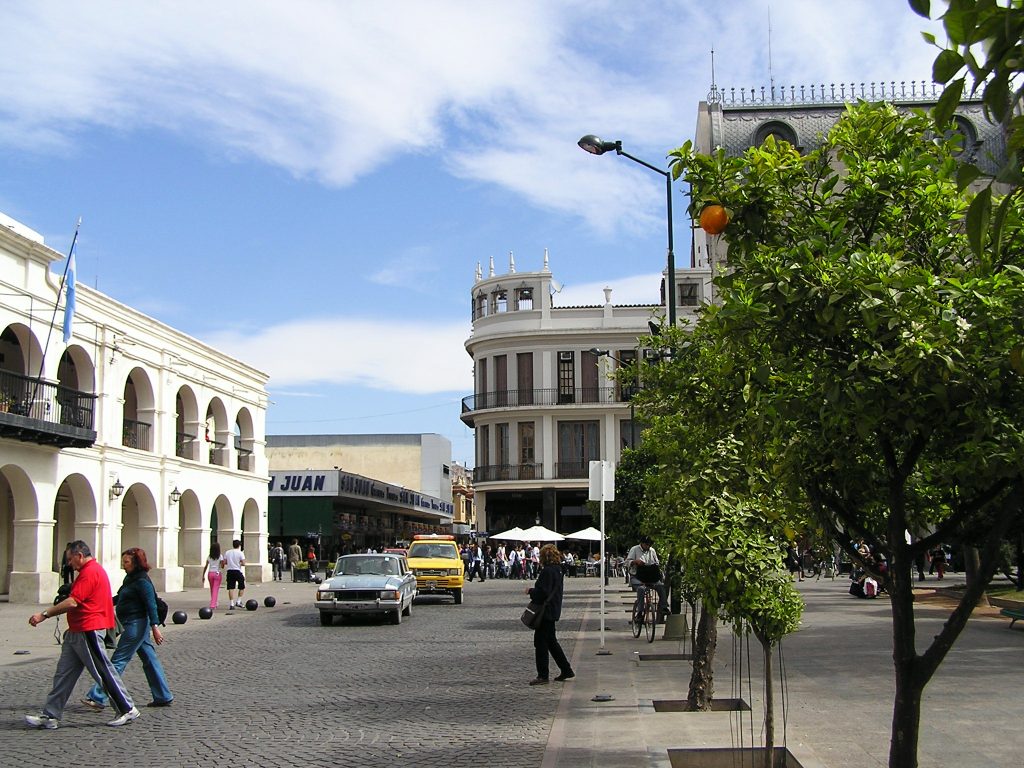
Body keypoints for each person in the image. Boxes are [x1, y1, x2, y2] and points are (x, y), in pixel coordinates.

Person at [25, 540, 139, 728]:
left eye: (70, 559)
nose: (69, 563)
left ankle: (127, 708)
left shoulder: (90, 572)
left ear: (79, 555)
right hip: (77, 630)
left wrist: (44, 614)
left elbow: (73, 602)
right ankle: (50, 715)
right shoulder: (88, 571)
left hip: (89, 629)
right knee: (63, 675)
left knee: (102, 671)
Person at [84, 547, 173, 709]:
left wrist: (155, 627)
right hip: (132, 624)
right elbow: (119, 597)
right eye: (123, 562)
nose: (123, 565)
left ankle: (98, 696)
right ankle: (163, 695)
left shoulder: (142, 581)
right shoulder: (130, 579)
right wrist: (99, 604)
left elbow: (151, 605)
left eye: (126, 562)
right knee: (149, 659)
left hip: (136, 625)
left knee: (118, 660)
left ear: (136, 563)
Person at [527, 544, 574, 685]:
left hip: (545, 611)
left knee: (541, 642)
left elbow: (543, 592)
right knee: (551, 642)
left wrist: (531, 591)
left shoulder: (547, 571)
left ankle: (543, 675)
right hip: (553, 608)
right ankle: (566, 669)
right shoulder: (559, 570)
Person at [627, 536, 668, 623]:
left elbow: (657, 562)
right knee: (641, 589)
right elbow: (627, 562)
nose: (648, 546)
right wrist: (635, 562)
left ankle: (664, 607)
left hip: (650, 576)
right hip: (637, 576)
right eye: (646, 544)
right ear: (642, 543)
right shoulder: (634, 549)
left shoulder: (652, 550)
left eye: (649, 545)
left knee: (661, 586)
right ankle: (640, 613)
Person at [224, 539, 247, 609]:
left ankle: (231, 604)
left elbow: (225, 562)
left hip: (230, 571)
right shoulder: (240, 553)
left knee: (231, 588)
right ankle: (239, 601)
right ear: (239, 545)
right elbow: (243, 563)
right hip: (237, 570)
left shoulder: (227, 552)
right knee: (242, 586)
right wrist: (239, 563)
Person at [201, 542, 224, 609]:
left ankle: (214, 601)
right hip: (217, 573)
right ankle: (213, 604)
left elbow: (206, 566)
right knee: (215, 589)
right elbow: (222, 566)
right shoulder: (220, 556)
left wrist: (203, 575)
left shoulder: (209, 556)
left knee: (212, 589)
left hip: (210, 573)